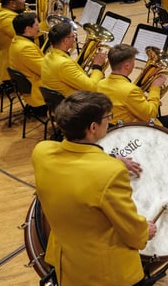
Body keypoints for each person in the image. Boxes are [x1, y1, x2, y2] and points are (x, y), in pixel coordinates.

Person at [31, 91, 155, 286]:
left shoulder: (41, 152)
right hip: (105, 275)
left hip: (67, 266)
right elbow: (131, 232)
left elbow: (77, 165)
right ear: (93, 127)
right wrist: (144, 231)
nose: (110, 121)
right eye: (108, 117)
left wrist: (112, 158)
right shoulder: (110, 173)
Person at [97, 44, 168, 138]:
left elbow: (124, 101)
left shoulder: (100, 83)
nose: (133, 65)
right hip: (137, 130)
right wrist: (155, 88)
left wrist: (147, 100)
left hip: (114, 128)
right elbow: (151, 115)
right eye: (133, 62)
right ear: (127, 66)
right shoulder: (130, 90)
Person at [41, 20, 106, 97]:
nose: (75, 38)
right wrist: (97, 66)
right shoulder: (64, 64)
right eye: (73, 36)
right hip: (74, 103)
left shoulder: (48, 55)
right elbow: (92, 88)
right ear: (66, 40)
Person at [9, 12, 46, 110]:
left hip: (32, 84)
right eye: (37, 25)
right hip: (39, 92)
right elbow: (45, 70)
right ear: (28, 29)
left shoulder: (17, 40)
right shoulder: (25, 48)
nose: (39, 28)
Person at [0, 0, 26, 82]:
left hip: (17, 59)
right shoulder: (5, 18)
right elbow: (25, 35)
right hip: (12, 65)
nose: (24, 1)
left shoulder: (8, 13)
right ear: (12, 3)